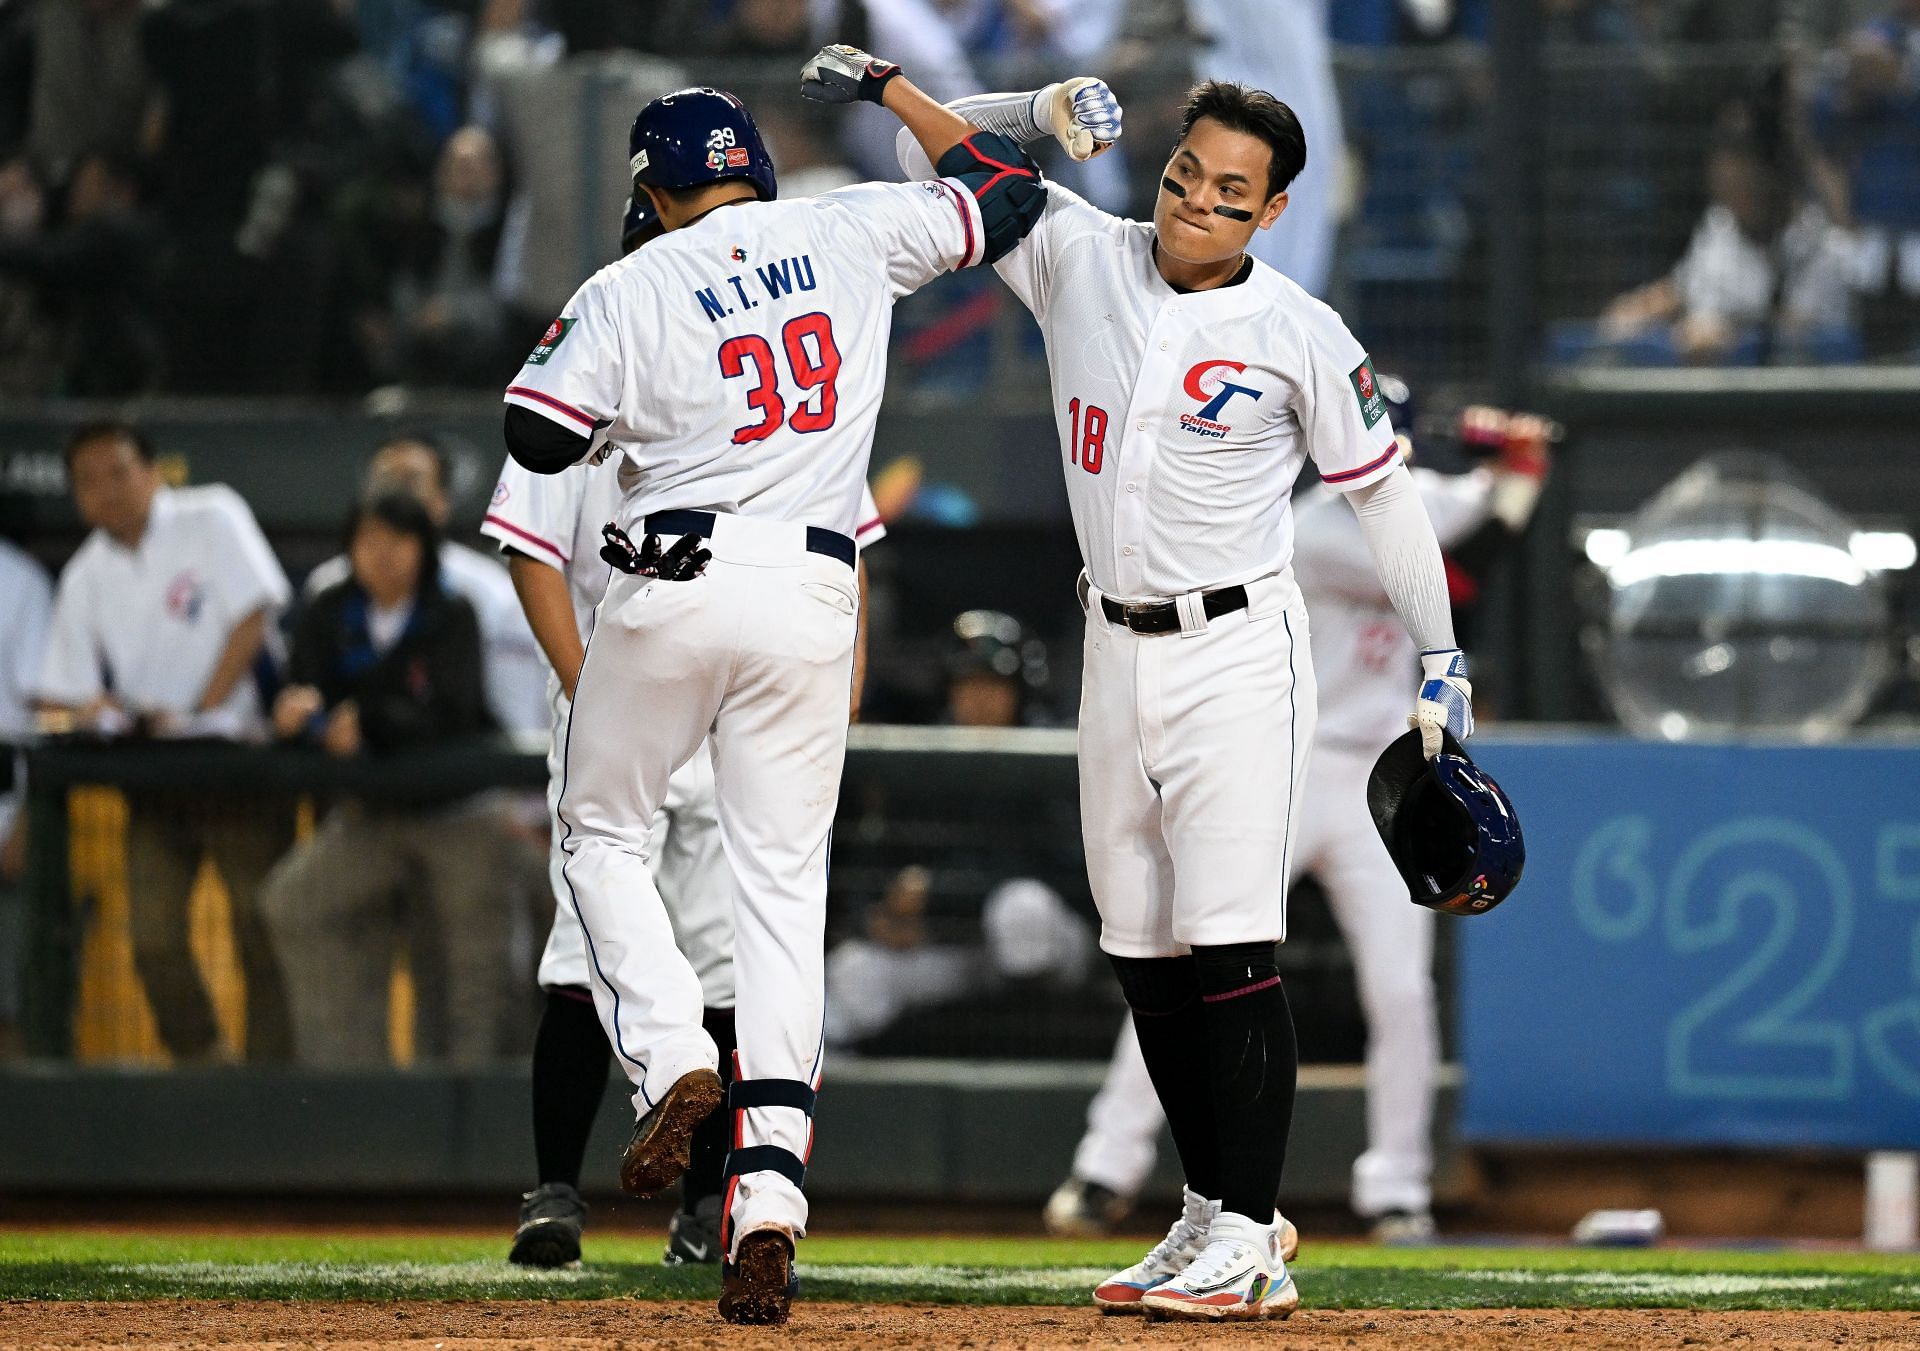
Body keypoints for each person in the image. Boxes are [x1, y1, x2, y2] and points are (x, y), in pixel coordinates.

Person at [884, 68, 1473, 1320]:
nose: (1195, 204)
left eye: (1229, 191)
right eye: (1182, 176)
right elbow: (933, 154)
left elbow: (1384, 499)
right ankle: (1208, 1208)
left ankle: (1253, 1237)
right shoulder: (1078, 251)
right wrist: (1021, 106)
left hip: (1236, 655)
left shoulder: (1302, 332)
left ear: (1273, 211)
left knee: (1229, 944)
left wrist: (1441, 656)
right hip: (1113, 643)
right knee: (1141, 948)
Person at [498, 70, 1047, 1323]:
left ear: (651, 189)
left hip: (675, 578)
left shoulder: (629, 283)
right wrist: (902, 95)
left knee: (601, 838)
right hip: (813, 587)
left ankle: (676, 1052)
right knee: (781, 900)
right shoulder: (843, 220)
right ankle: (771, 1202)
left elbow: (536, 438)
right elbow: (1006, 192)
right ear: (752, 166)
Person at [1045, 388, 1553, 1245]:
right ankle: (1107, 1164)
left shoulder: (1423, 498)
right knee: (1188, 955)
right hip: (1288, 761)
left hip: (1382, 778)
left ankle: (1397, 1188)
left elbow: (1486, 514)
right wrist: (1521, 470)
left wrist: (1514, 453)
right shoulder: (1304, 526)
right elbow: (1464, 572)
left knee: (1400, 991)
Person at [489, 190, 889, 1272]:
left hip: (673, 674)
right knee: (749, 930)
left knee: (664, 943)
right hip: (686, 677)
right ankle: (725, 1189)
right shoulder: (784, 365)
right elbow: (531, 547)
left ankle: (691, 1158)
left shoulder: (638, 332)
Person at [33, 421, 294, 1062]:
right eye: (88, 482)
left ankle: (273, 1083)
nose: (106, 491)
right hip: (153, 777)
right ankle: (206, 1066)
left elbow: (254, 616)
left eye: (119, 471)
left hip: (240, 763)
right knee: (151, 941)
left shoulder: (212, 515)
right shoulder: (84, 575)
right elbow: (58, 694)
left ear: (153, 472)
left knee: (261, 931)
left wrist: (199, 711)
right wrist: (98, 707)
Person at [260, 492, 508, 1068]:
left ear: (425, 547)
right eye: (369, 540)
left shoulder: (453, 610)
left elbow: (455, 711)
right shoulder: (327, 608)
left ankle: (474, 1109)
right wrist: (300, 717)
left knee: (472, 969)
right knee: (294, 903)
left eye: (399, 540)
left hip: (458, 815)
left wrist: (368, 721)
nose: (384, 555)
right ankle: (352, 1085)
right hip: (370, 815)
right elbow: (305, 692)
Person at [307, 433, 549, 738]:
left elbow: (516, 723)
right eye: (384, 480)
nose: (396, 493)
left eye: (411, 480)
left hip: (464, 774)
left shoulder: (492, 593)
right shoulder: (328, 588)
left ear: (442, 501)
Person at [0, 534, 52, 1056]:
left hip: (3, 819)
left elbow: (45, 714)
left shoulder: (16, 582)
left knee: (9, 1006)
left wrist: (24, 817)